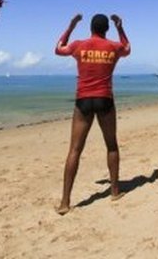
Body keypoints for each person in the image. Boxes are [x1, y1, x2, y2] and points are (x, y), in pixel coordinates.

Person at [54, 13, 131, 215]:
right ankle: (114, 191)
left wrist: (70, 26)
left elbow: (58, 49)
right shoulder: (113, 47)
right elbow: (128, 48)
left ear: (90, 28)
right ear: (106, 29)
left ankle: (65, 202)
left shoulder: (79, 45)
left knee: (75, 150)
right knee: (111, 145)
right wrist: (120, 28)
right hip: (105, 99)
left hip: (83, 101)